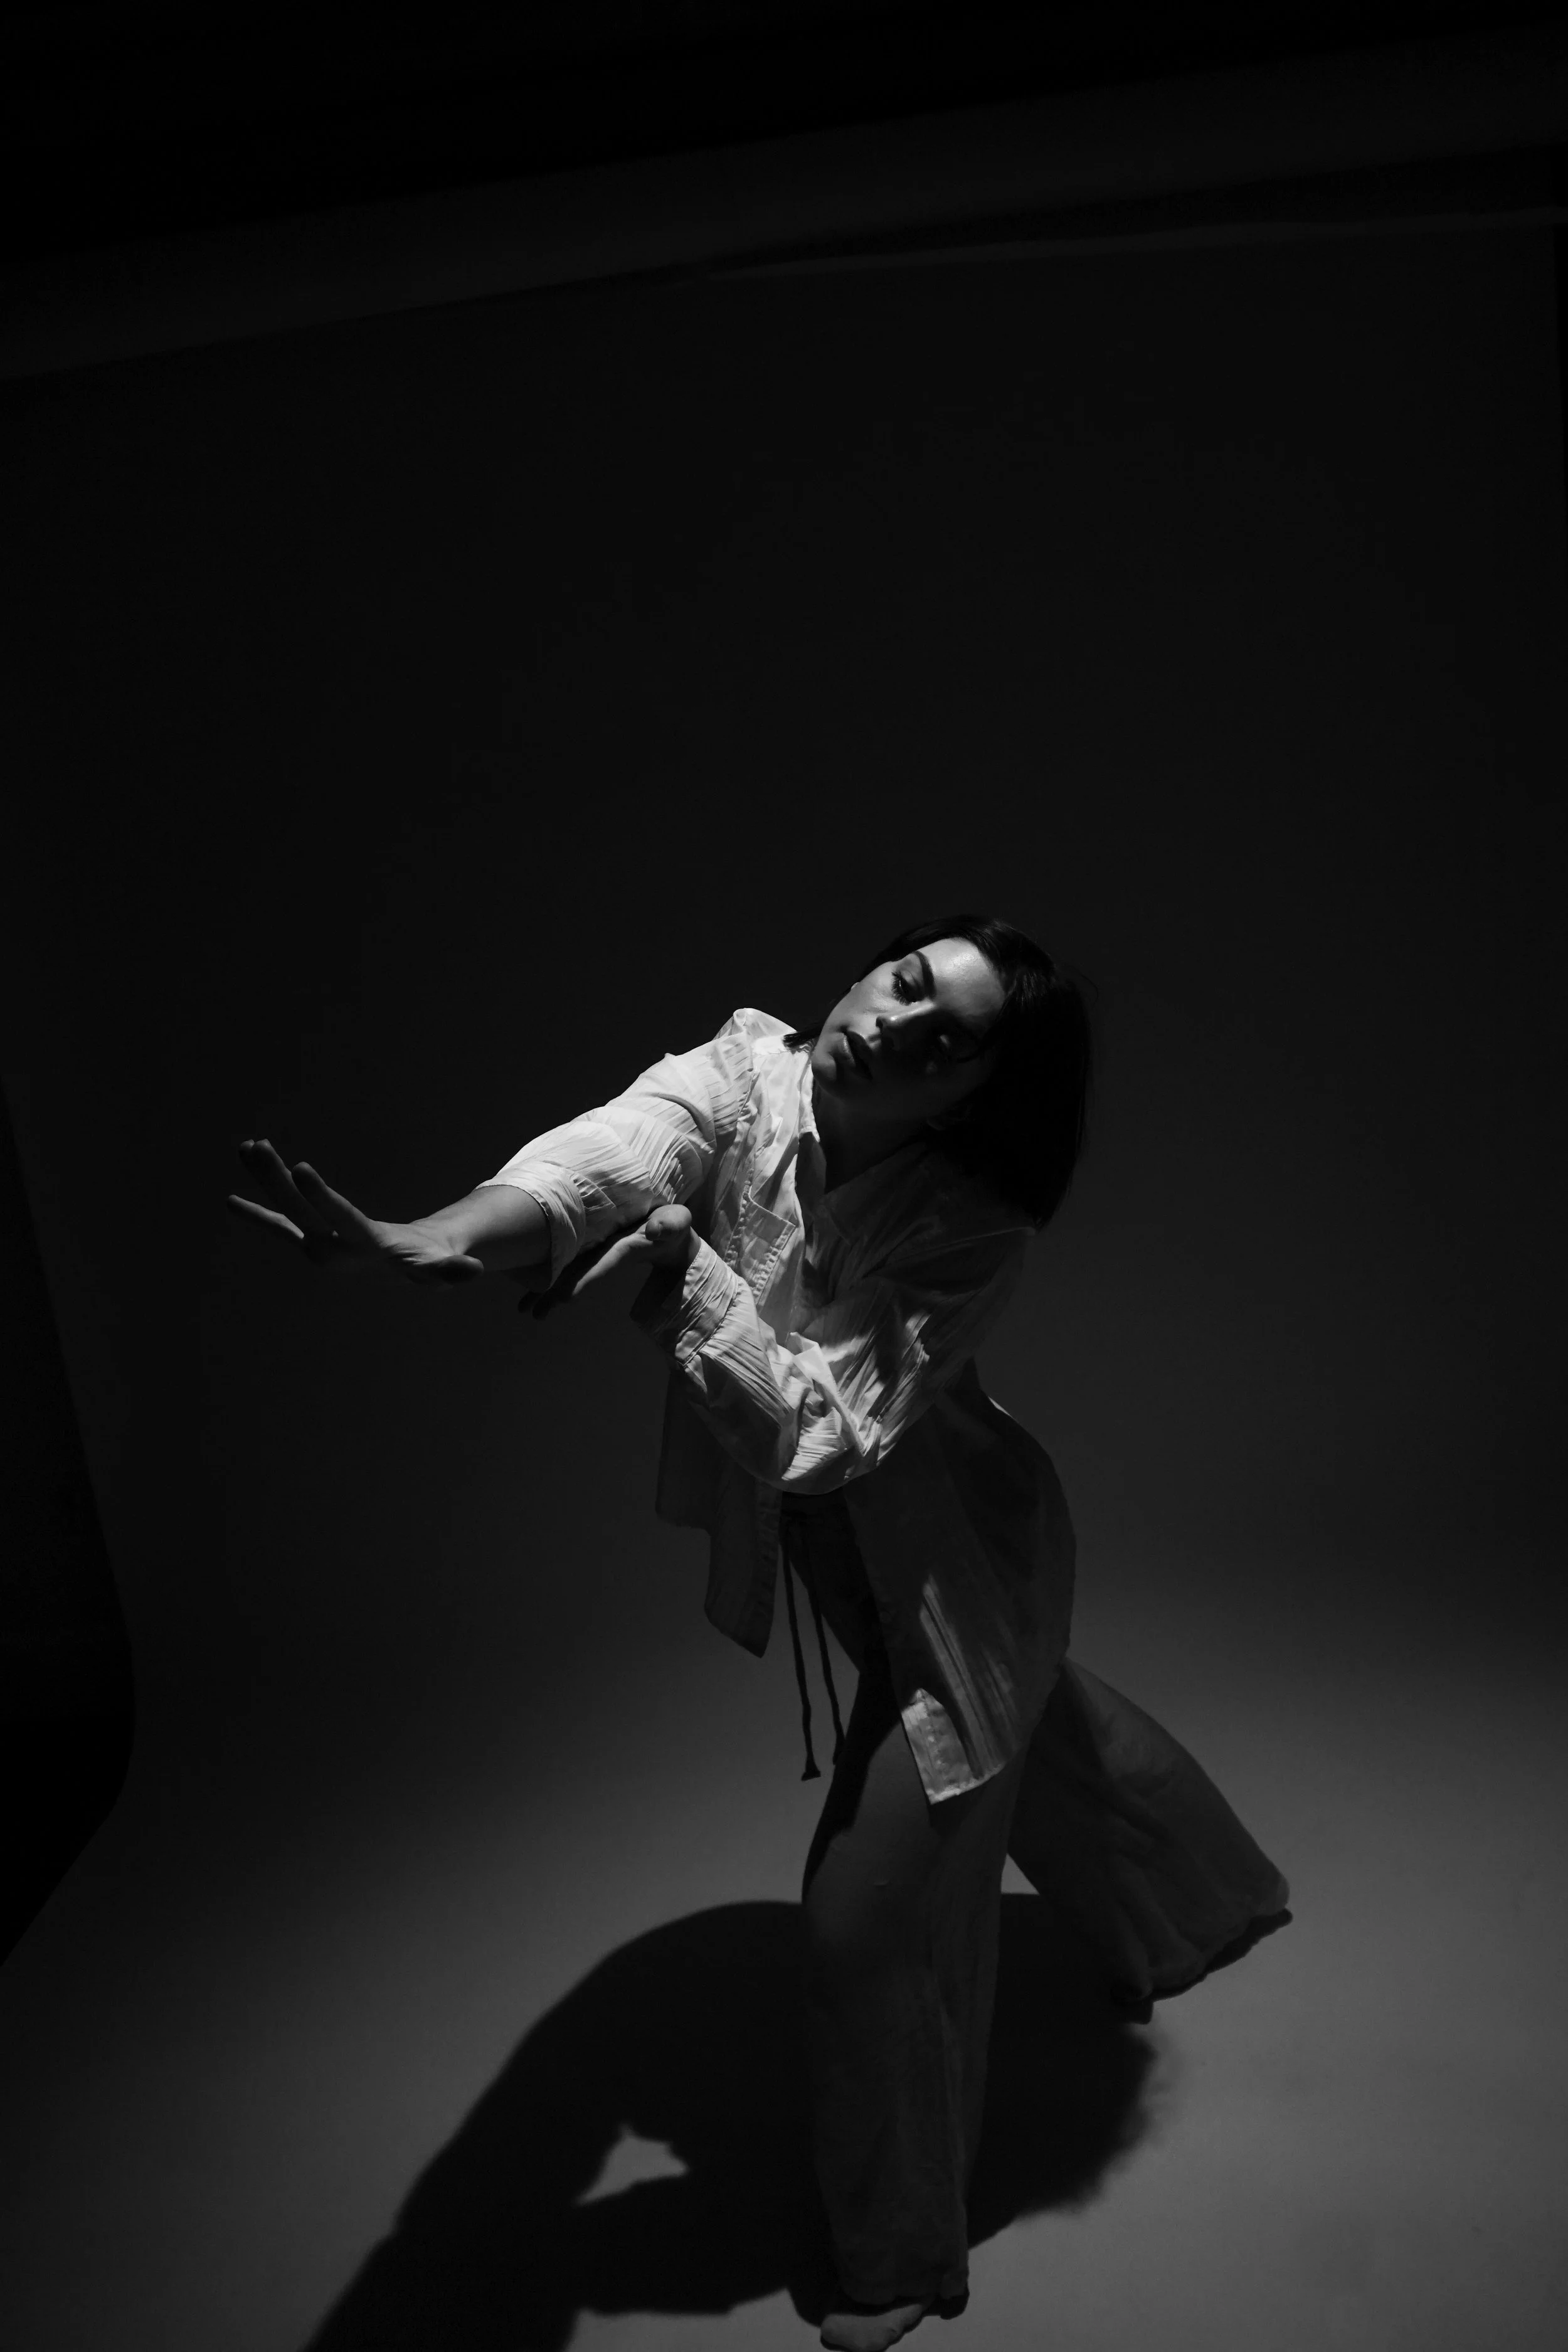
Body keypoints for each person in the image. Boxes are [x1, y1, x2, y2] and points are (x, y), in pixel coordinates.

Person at [229, 913, 1288, 2352]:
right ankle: (1200, 1905)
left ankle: (897, 2254)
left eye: (943, 1042)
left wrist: (686, 1278)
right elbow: (610, 1155)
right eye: (903, 983)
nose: (892, 1026)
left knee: (866, 1924)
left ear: (968, 1094)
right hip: (854, 1568)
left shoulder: (968, 1222)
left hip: (964, 1571)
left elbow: (827, 1434)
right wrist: (443, 1238)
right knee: (1042, 1731)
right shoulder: (741, 1076)